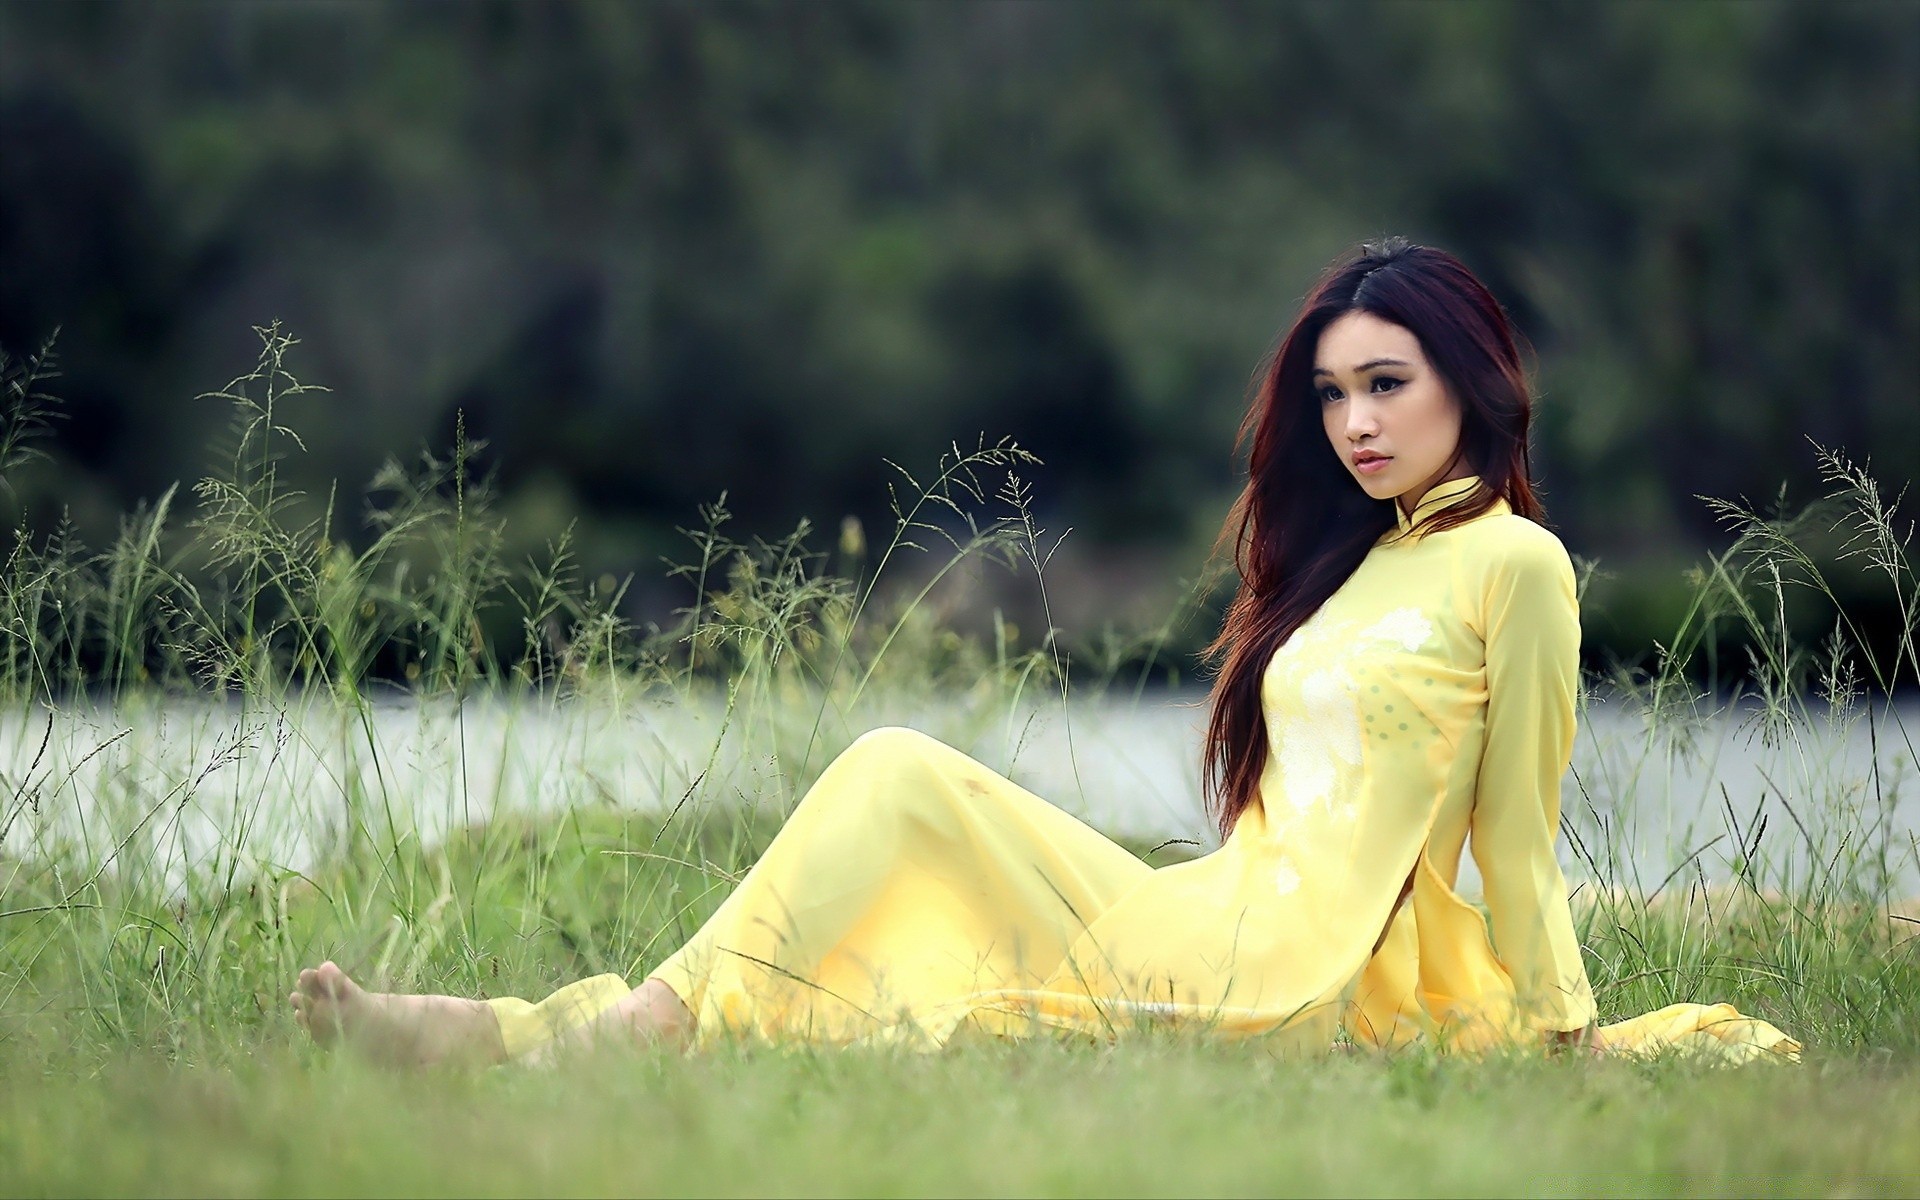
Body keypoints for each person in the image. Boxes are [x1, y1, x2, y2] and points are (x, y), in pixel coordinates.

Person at [291, 238, 1798, 1068]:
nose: (1354, 424)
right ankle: (582, 1034)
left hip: (1307, 976)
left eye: (1388, 384)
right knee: (897, 782)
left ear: (1474, 380)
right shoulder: (1352, 566)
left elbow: (1517, 837)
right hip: (1213, 913)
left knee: (899, 787)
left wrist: (1564, 1034)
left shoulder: (1517, 567)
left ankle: (560, 1046)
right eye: (1335, 393)